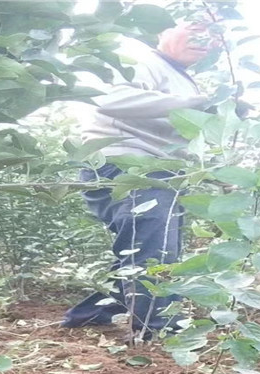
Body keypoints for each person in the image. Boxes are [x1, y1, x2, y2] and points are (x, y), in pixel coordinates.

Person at [62, 22, 221, 340]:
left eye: (213, 35)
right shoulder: (145, 63)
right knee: (154, 249)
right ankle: (160, 332)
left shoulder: (182, 79)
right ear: (163, 31)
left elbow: (178, 134)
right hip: (127, 166)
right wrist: (197, 103)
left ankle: (91, 314)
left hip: (158, 172)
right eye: (194, 28)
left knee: (147, 248)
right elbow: (109, 99)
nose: (203, 39)